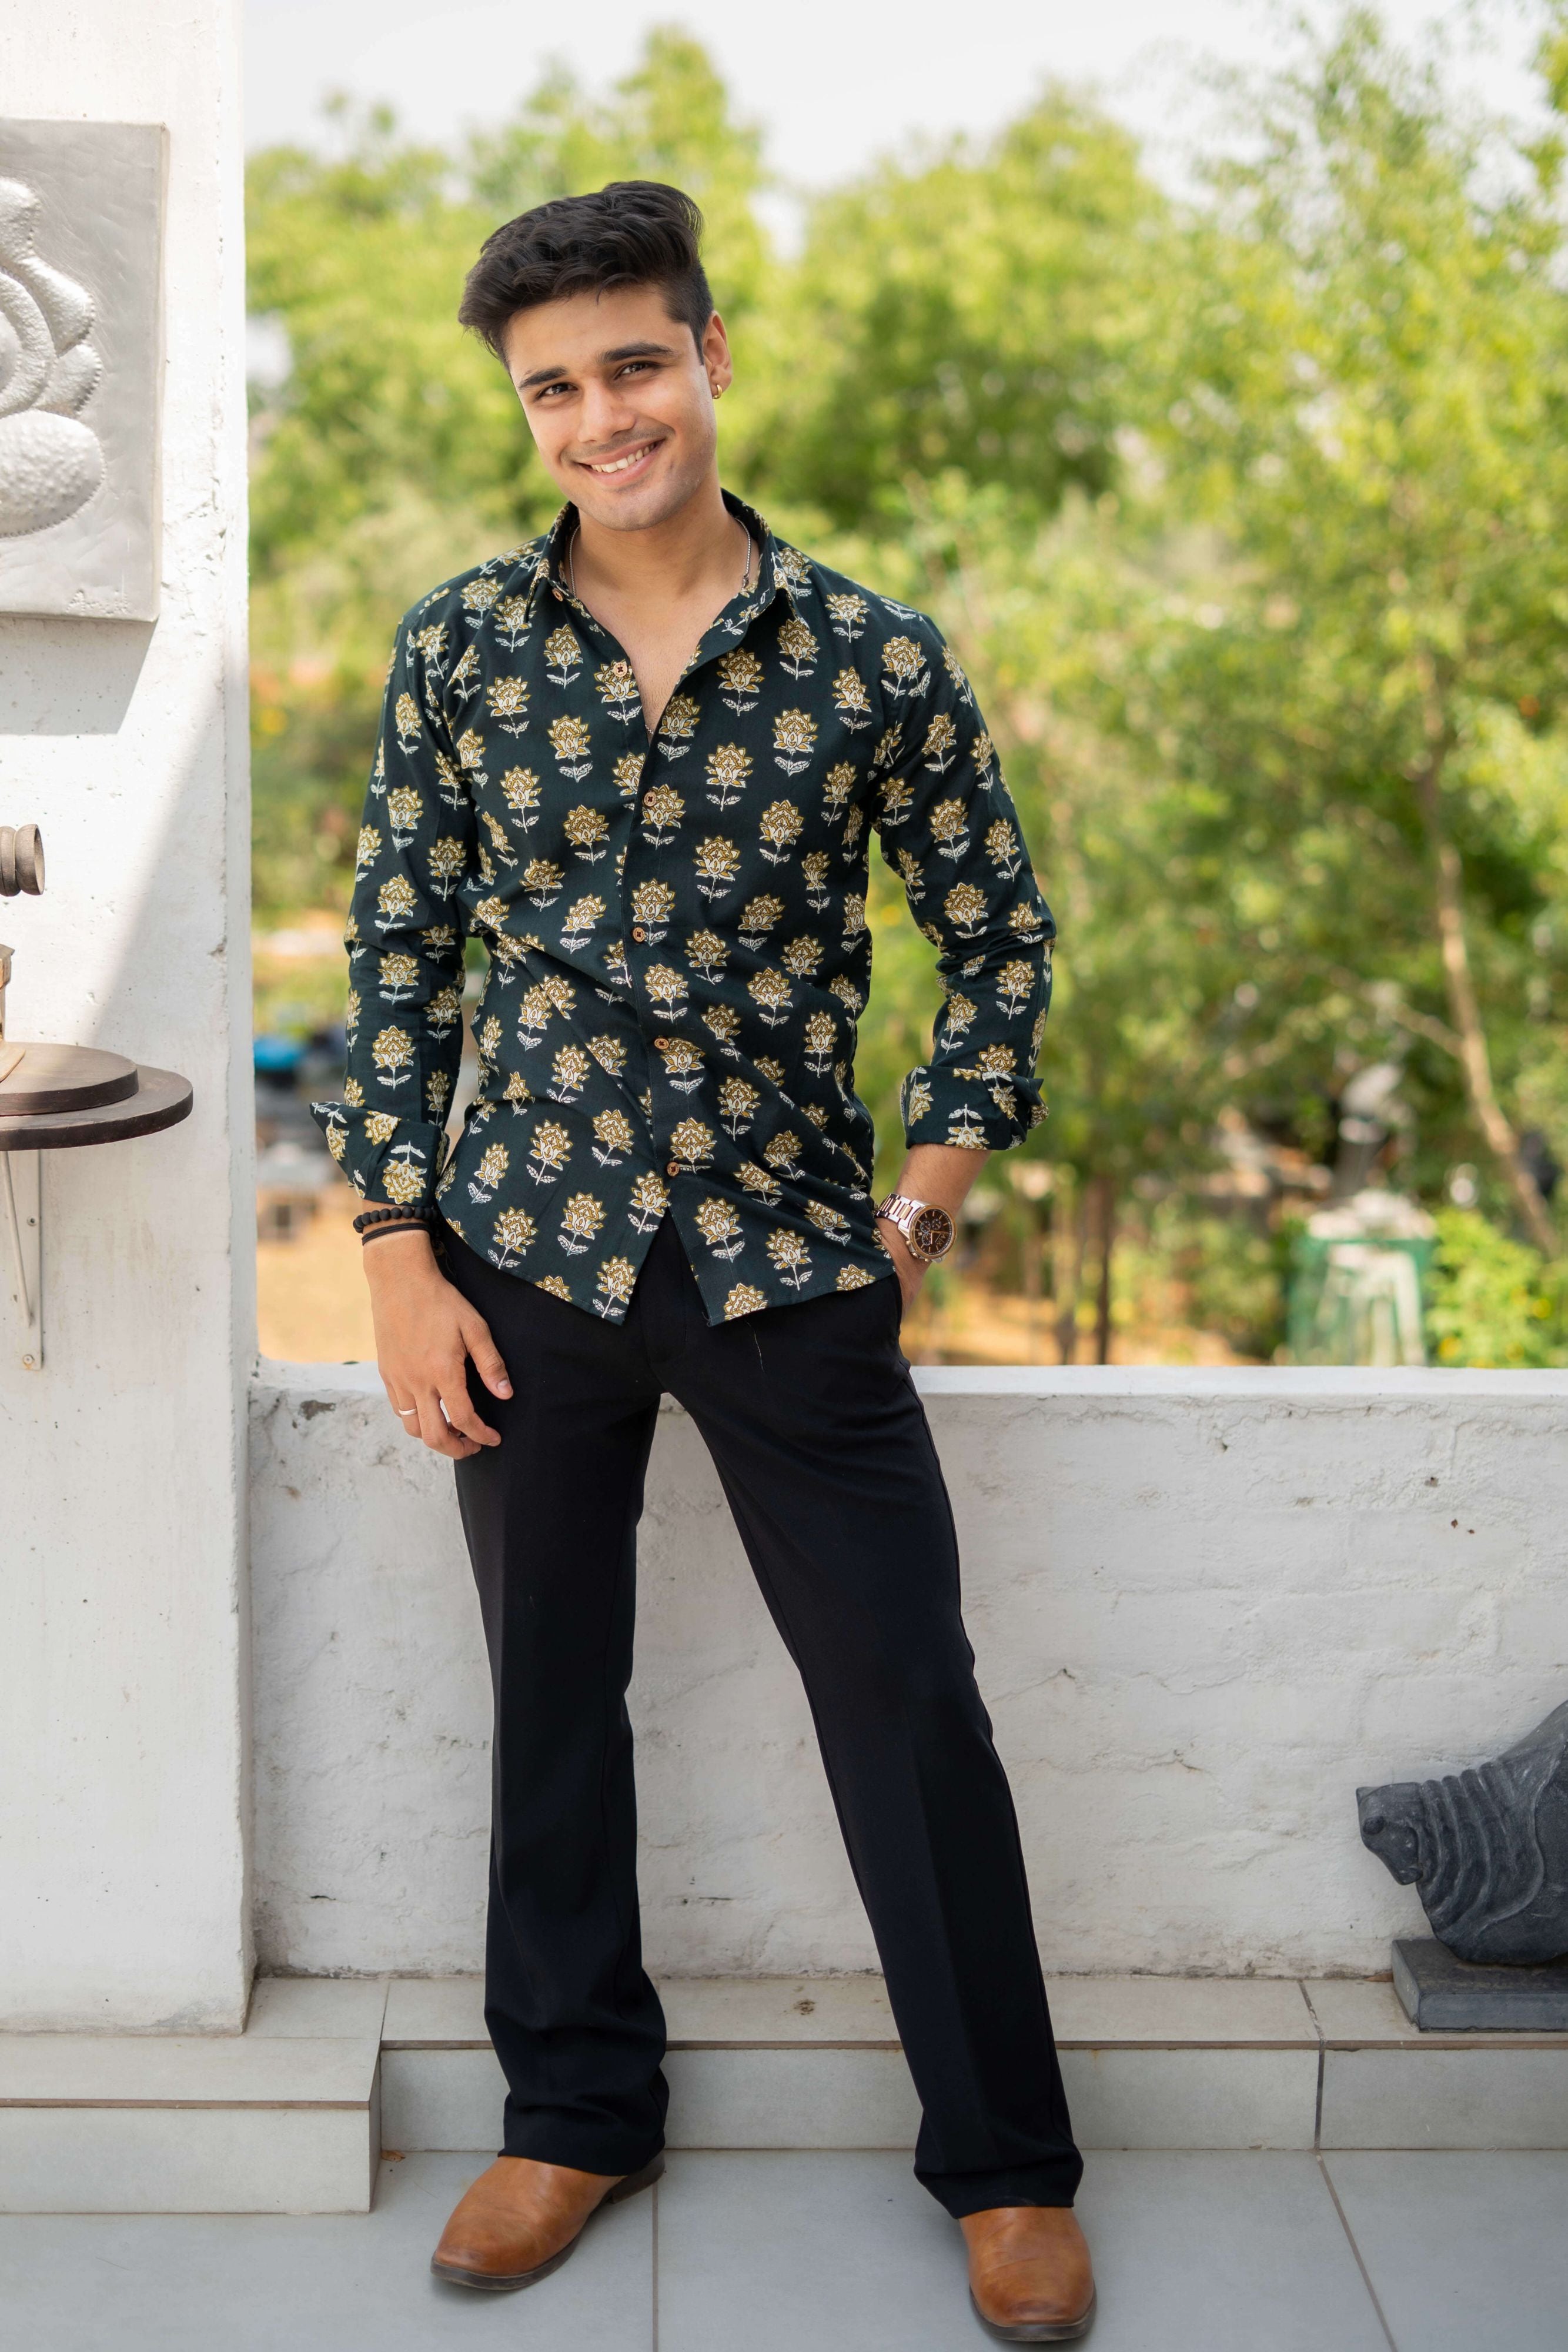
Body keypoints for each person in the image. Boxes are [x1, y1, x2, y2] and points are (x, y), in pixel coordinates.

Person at [312, 179, 1095, 2343]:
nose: (597, 417)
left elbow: (1000, 944)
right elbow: (397, 956)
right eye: (552, 387)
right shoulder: (460, 648)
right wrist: (393, 1245)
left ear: (712, 359)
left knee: (907, 1703)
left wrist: (923, 1199)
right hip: (525, 1254)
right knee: (549, 1702)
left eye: (631, 365)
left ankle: (1007, 2167)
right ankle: (571, 2114)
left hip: (791, 1260)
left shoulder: (867, 657)